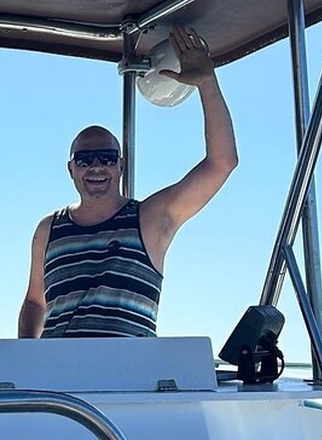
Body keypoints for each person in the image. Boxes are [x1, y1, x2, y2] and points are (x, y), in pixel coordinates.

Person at [18, 26, 238, 339]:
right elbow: (34, 300)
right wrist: (26, 356)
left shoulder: (150, 218)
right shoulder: (48, 229)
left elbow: (222, 162)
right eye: (84, 159)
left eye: (106, 157)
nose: (96, 166)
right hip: (58, 381)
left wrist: (207, 83)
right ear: (71, 169)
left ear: (121, 165)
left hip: (133, 380)